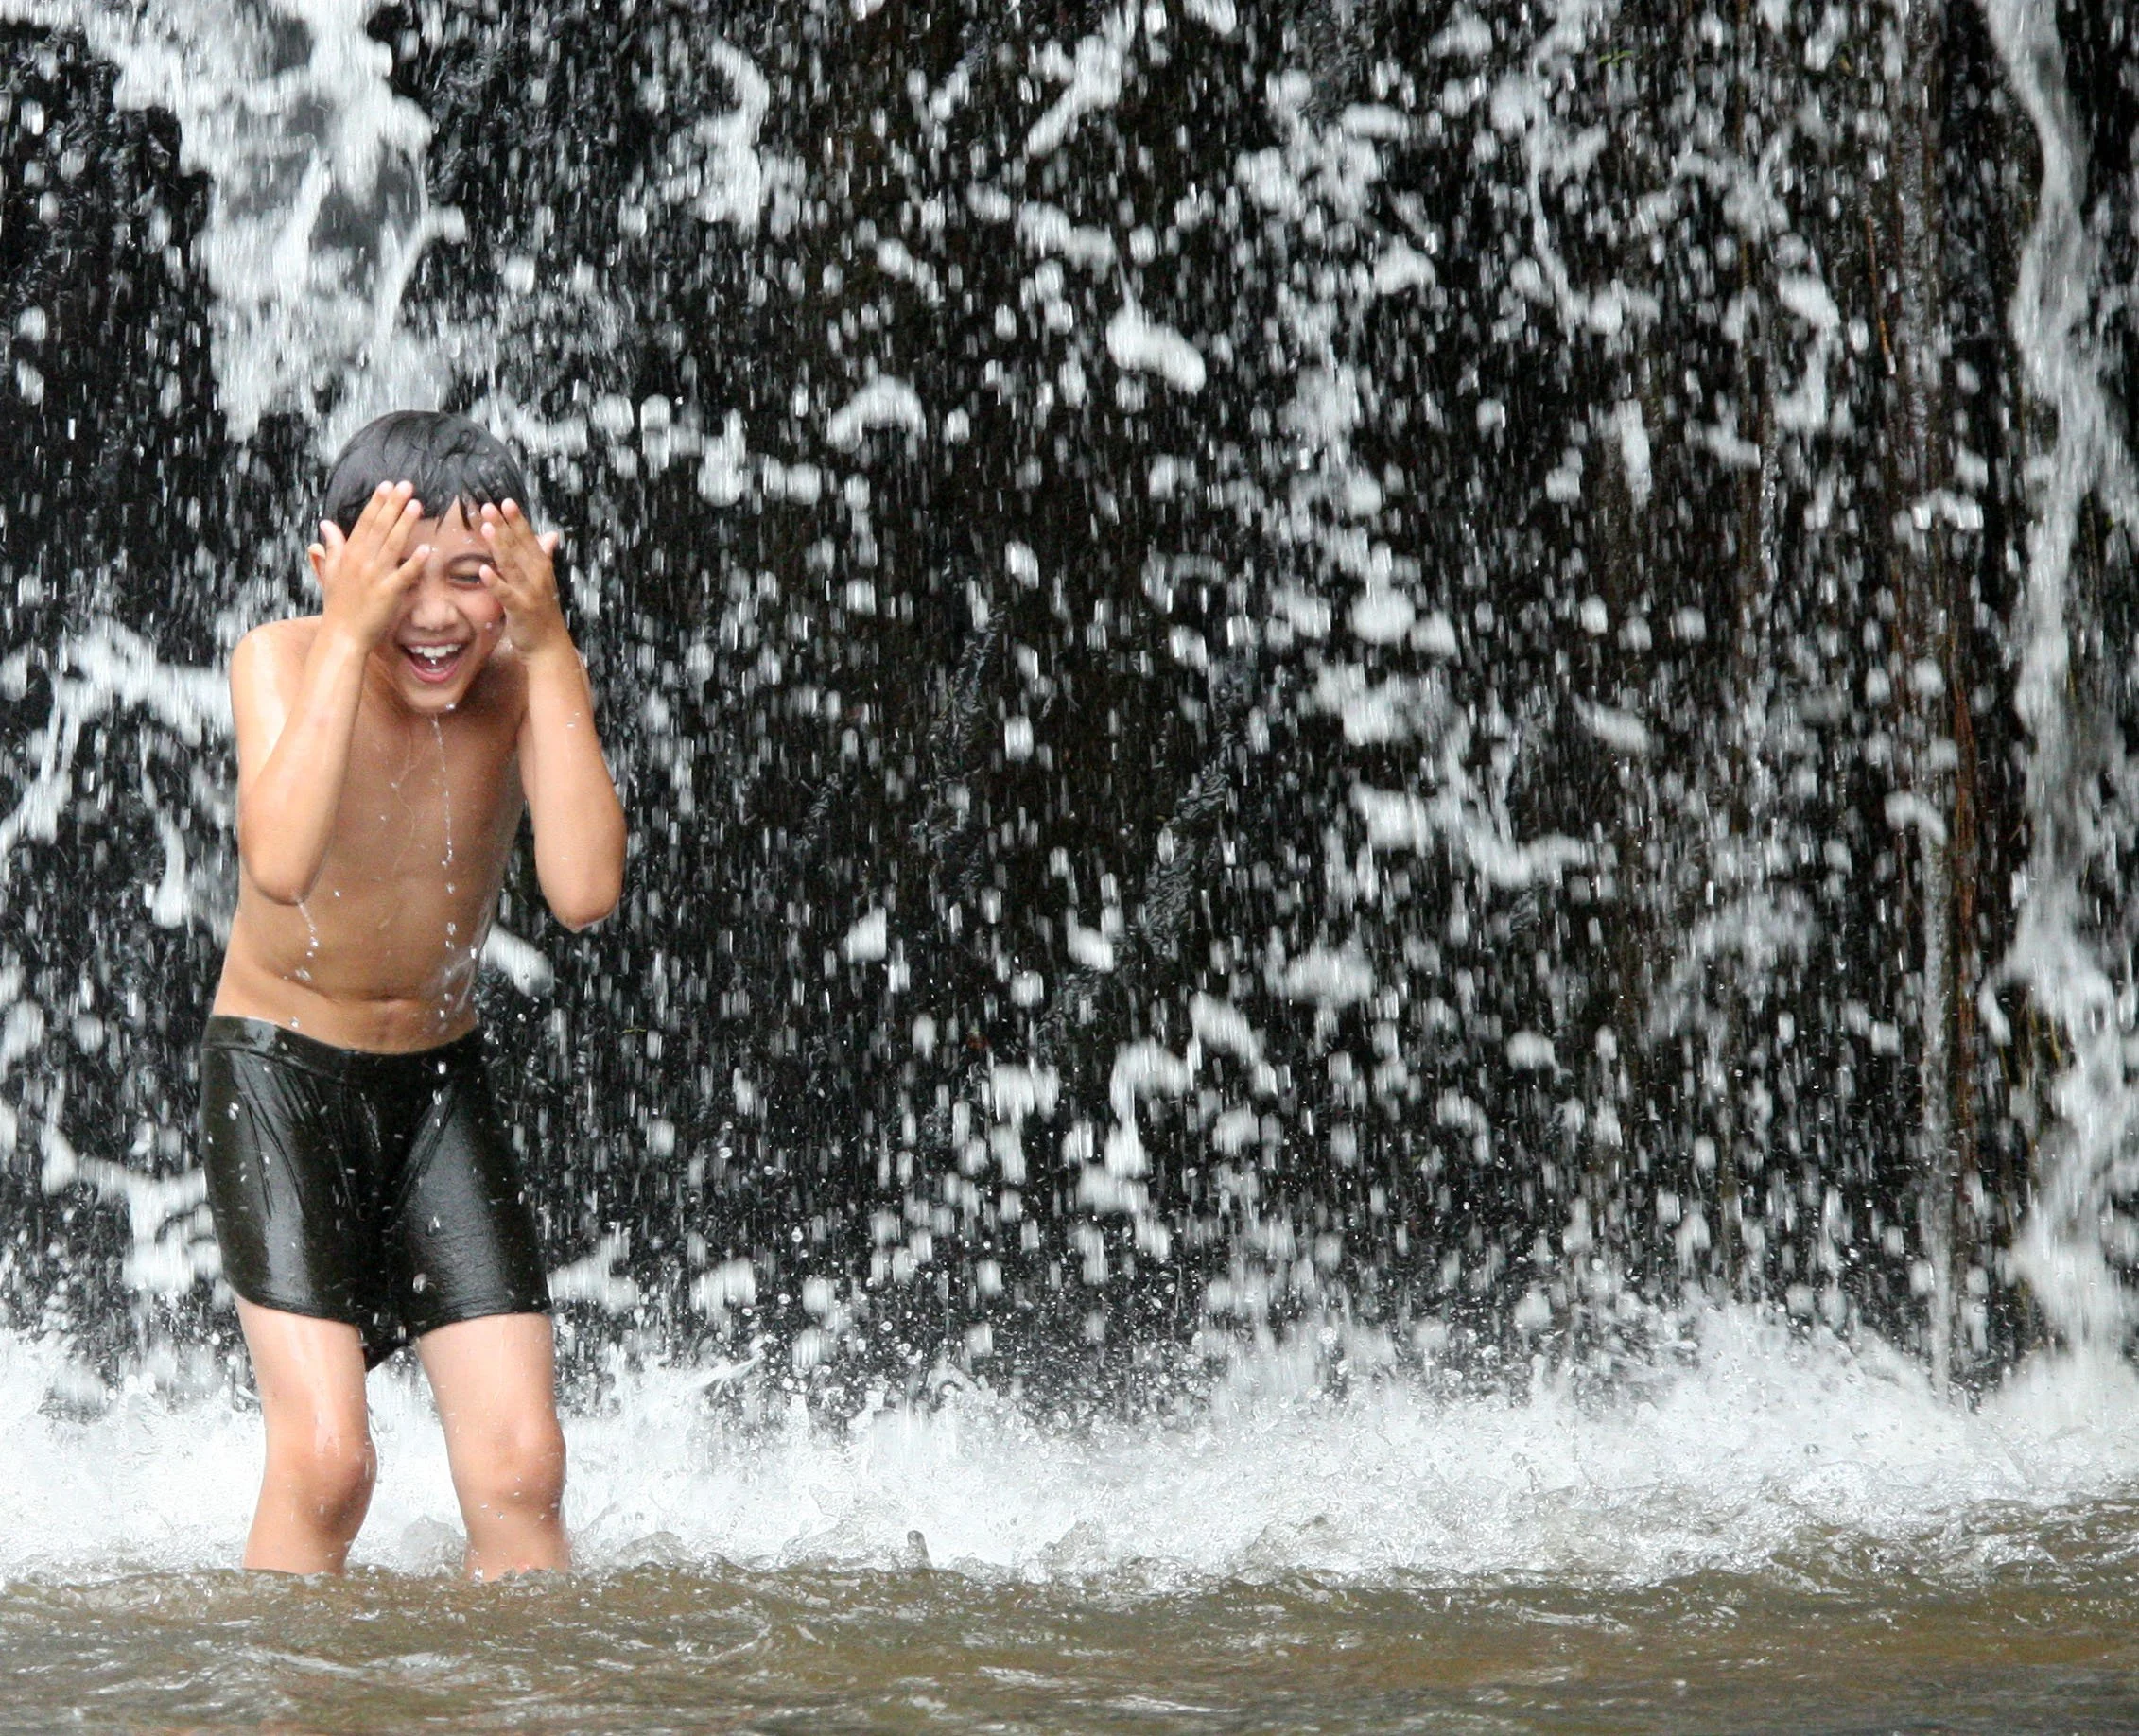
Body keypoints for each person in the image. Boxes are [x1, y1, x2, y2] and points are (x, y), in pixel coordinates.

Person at [200, 410, 624, 1578]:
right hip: (280, 1075)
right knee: (329, 1463)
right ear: (330, 569)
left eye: (475, 578)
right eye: (401, 577)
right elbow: (280, 862)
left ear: (524, 578)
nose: (435, 617)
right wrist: (345, 638)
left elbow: (584, 888)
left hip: (437, 1079)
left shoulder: (520, 679)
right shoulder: (281, 659)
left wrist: (548, 655)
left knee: (523, 1465)